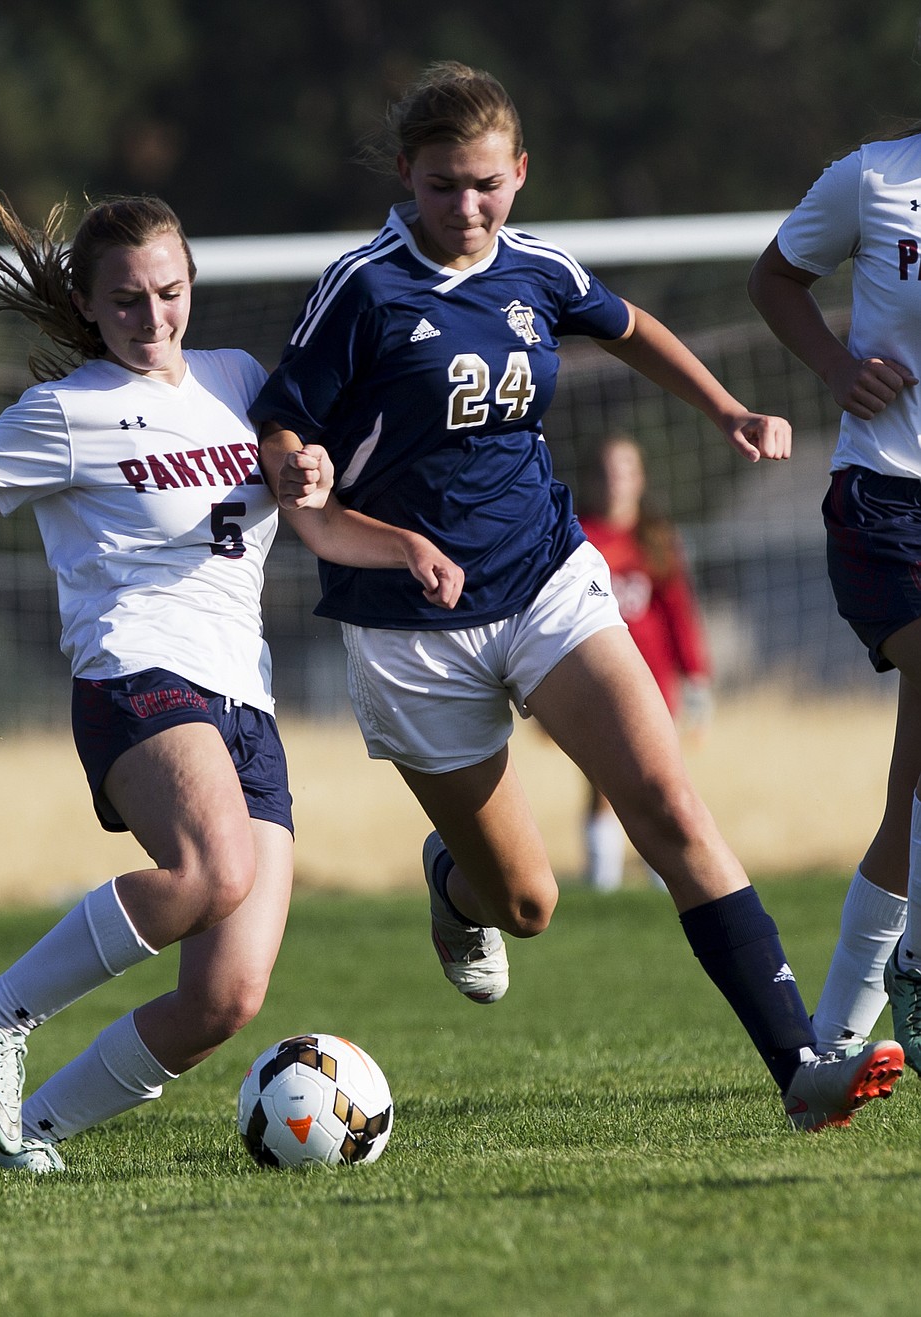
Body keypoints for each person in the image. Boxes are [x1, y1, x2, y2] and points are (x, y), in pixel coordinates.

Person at [252, 60, 904, 1131]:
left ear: (519, 173)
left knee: (668, 807)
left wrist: (728, 410)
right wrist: (297, 467)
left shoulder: (536, 269)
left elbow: (628, 324)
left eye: (487, 184)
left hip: (548, 579)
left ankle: (800, 1070)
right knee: (528, 902)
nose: (467, 207)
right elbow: (286, 418)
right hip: (408, 626)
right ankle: (454, 884)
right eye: (443, 185)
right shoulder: (363, 288)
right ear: (407, 177)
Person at [0, 183, 462, 1173]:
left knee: (225, 999)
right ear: (88, 308)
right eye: (124, 300)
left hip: (247, 703)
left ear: (191, 284)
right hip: (136, 676)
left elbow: (312, 519)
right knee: (212, 872)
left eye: (168, 291)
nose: (151, 317)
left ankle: (29, 1135)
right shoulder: (66, 413)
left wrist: (404, 543)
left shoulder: (239, 379)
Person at [749, 123, 921, 1073]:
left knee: (911, 788)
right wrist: (835, 367)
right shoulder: (871, 178)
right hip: (887, 504)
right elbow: (773, 279)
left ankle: (836, 1033)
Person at [576, 434, 713, 891]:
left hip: (653, 684)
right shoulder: (578, 538)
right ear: (594, 480)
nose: (617, 482)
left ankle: (667, 879)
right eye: (608, 472)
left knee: (659, 779)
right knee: (603, 782)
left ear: (641, 479)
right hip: (594, 680)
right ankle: (604, 882)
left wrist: (696, 679)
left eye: (626, 471)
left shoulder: (656, 540)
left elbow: (680, 613)